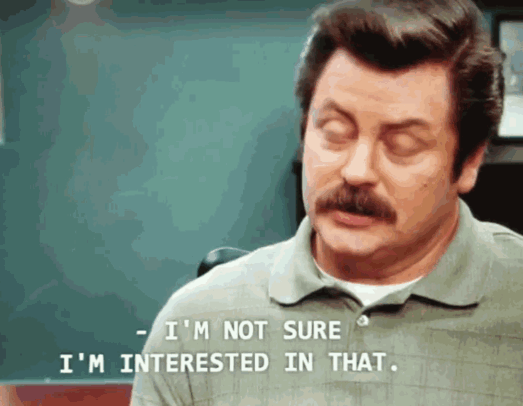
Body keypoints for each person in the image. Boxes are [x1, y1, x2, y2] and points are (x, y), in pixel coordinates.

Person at [130, 0, 523, 404]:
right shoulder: (195, 327)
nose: (357, 171)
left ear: (469, 162)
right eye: (335, 132)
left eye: (403, 145)